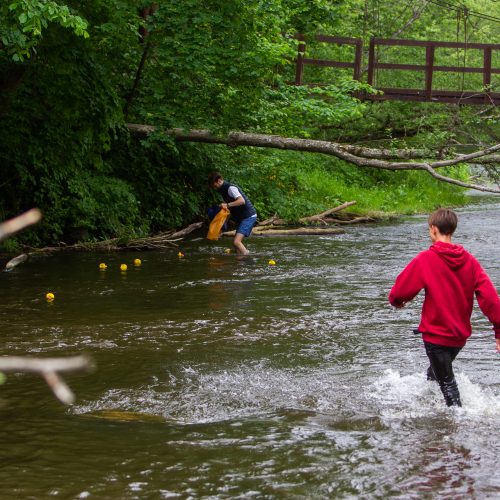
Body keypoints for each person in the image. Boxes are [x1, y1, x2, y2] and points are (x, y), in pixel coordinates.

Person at [388, 208, 500, 407]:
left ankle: (458, 425)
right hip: (459, 338)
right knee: (435, 374)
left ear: (433, 229)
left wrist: (398, 302)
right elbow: (491, 299)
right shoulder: (470, 261)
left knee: (448, 386)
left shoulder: (425, 259)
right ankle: (433, 410)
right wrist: (498, 331)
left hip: (436, 336)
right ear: (452, 230)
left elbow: (398, 292)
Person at [208, 172, 257, 255]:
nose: (215, 188)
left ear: (219, 181)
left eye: (215, 186)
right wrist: (221, 228)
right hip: (241, 218)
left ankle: (248, 260)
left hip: (249, 216)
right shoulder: (223, 191)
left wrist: (227, 204)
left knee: (236, 242)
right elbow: (228, 211)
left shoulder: (230, 188)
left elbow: (241, 201)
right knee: (236, 246)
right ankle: (239, 265)